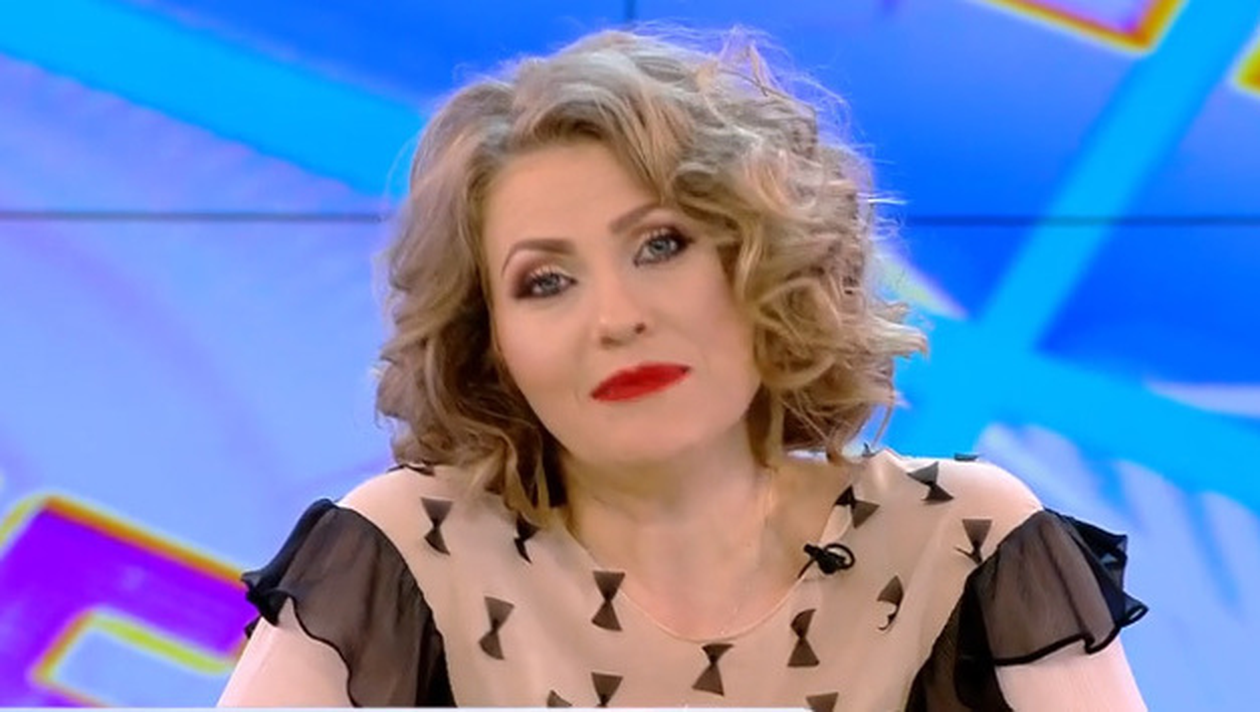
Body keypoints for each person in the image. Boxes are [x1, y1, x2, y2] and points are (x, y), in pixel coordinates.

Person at [217, 27, 1147, 710]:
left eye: (661, 245)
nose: (617, 317)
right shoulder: (407, 550)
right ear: (489, 343)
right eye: (545, 282)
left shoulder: (967, 541)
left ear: (764, 261)